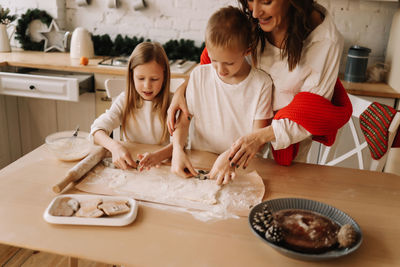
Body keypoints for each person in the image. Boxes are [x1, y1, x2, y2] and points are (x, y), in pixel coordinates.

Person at [168, 0, 352, 168]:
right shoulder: (253, 19)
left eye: (265, 1)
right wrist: (182, 91)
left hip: (281, 152)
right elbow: (214, 65)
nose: (254, 13)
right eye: (250, 0)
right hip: (234, 145)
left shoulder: (325, 42)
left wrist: (258, 138)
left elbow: (310, 112)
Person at [171, 6, 273, 185]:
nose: (220, 69)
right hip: (201, 160)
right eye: (214, 60)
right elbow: (184, 120)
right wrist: (177, 150)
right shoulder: (199, 75)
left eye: (229, 63)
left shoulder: (261, 84)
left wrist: (230, 157)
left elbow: (258, 139)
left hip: (242, 165)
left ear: (247, 51)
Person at [90, 42, 172, 170]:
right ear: (131, 76)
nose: (147, 86)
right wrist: (115, 147)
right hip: (132, 166)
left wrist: (159, 155)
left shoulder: (172, 102)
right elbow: (96, 130)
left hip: (162, 166)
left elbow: (181, 143)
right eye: (140, 78)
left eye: (154, 79)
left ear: (164, 76)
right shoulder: (124, 100)